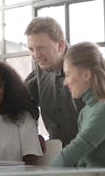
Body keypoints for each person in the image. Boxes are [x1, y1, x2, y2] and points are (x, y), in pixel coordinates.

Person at [50, 42, 105, 176]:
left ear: (86, 75)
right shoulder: (85, 112)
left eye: (68, 74)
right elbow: (83, 161)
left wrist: (43, 173)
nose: (65, 82)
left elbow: (76, 149)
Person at [24, 16, 83, 146]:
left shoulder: (86, 66)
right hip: (59, 155)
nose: (36, 55)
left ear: (60, 45)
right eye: (31, 49)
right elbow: (22, 102)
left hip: (93, 156)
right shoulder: (40, 70)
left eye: (40, 48)